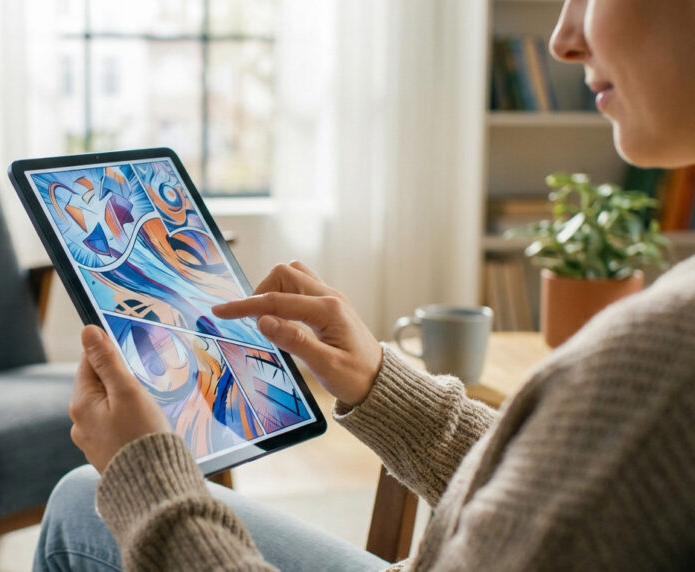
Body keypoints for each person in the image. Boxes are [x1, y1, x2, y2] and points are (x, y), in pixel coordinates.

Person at [34, 0, 695, 570]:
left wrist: (146, 482)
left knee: (79, 502)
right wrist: (381, 382)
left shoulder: (663, 353)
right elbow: (554, 492)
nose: (562, 38)